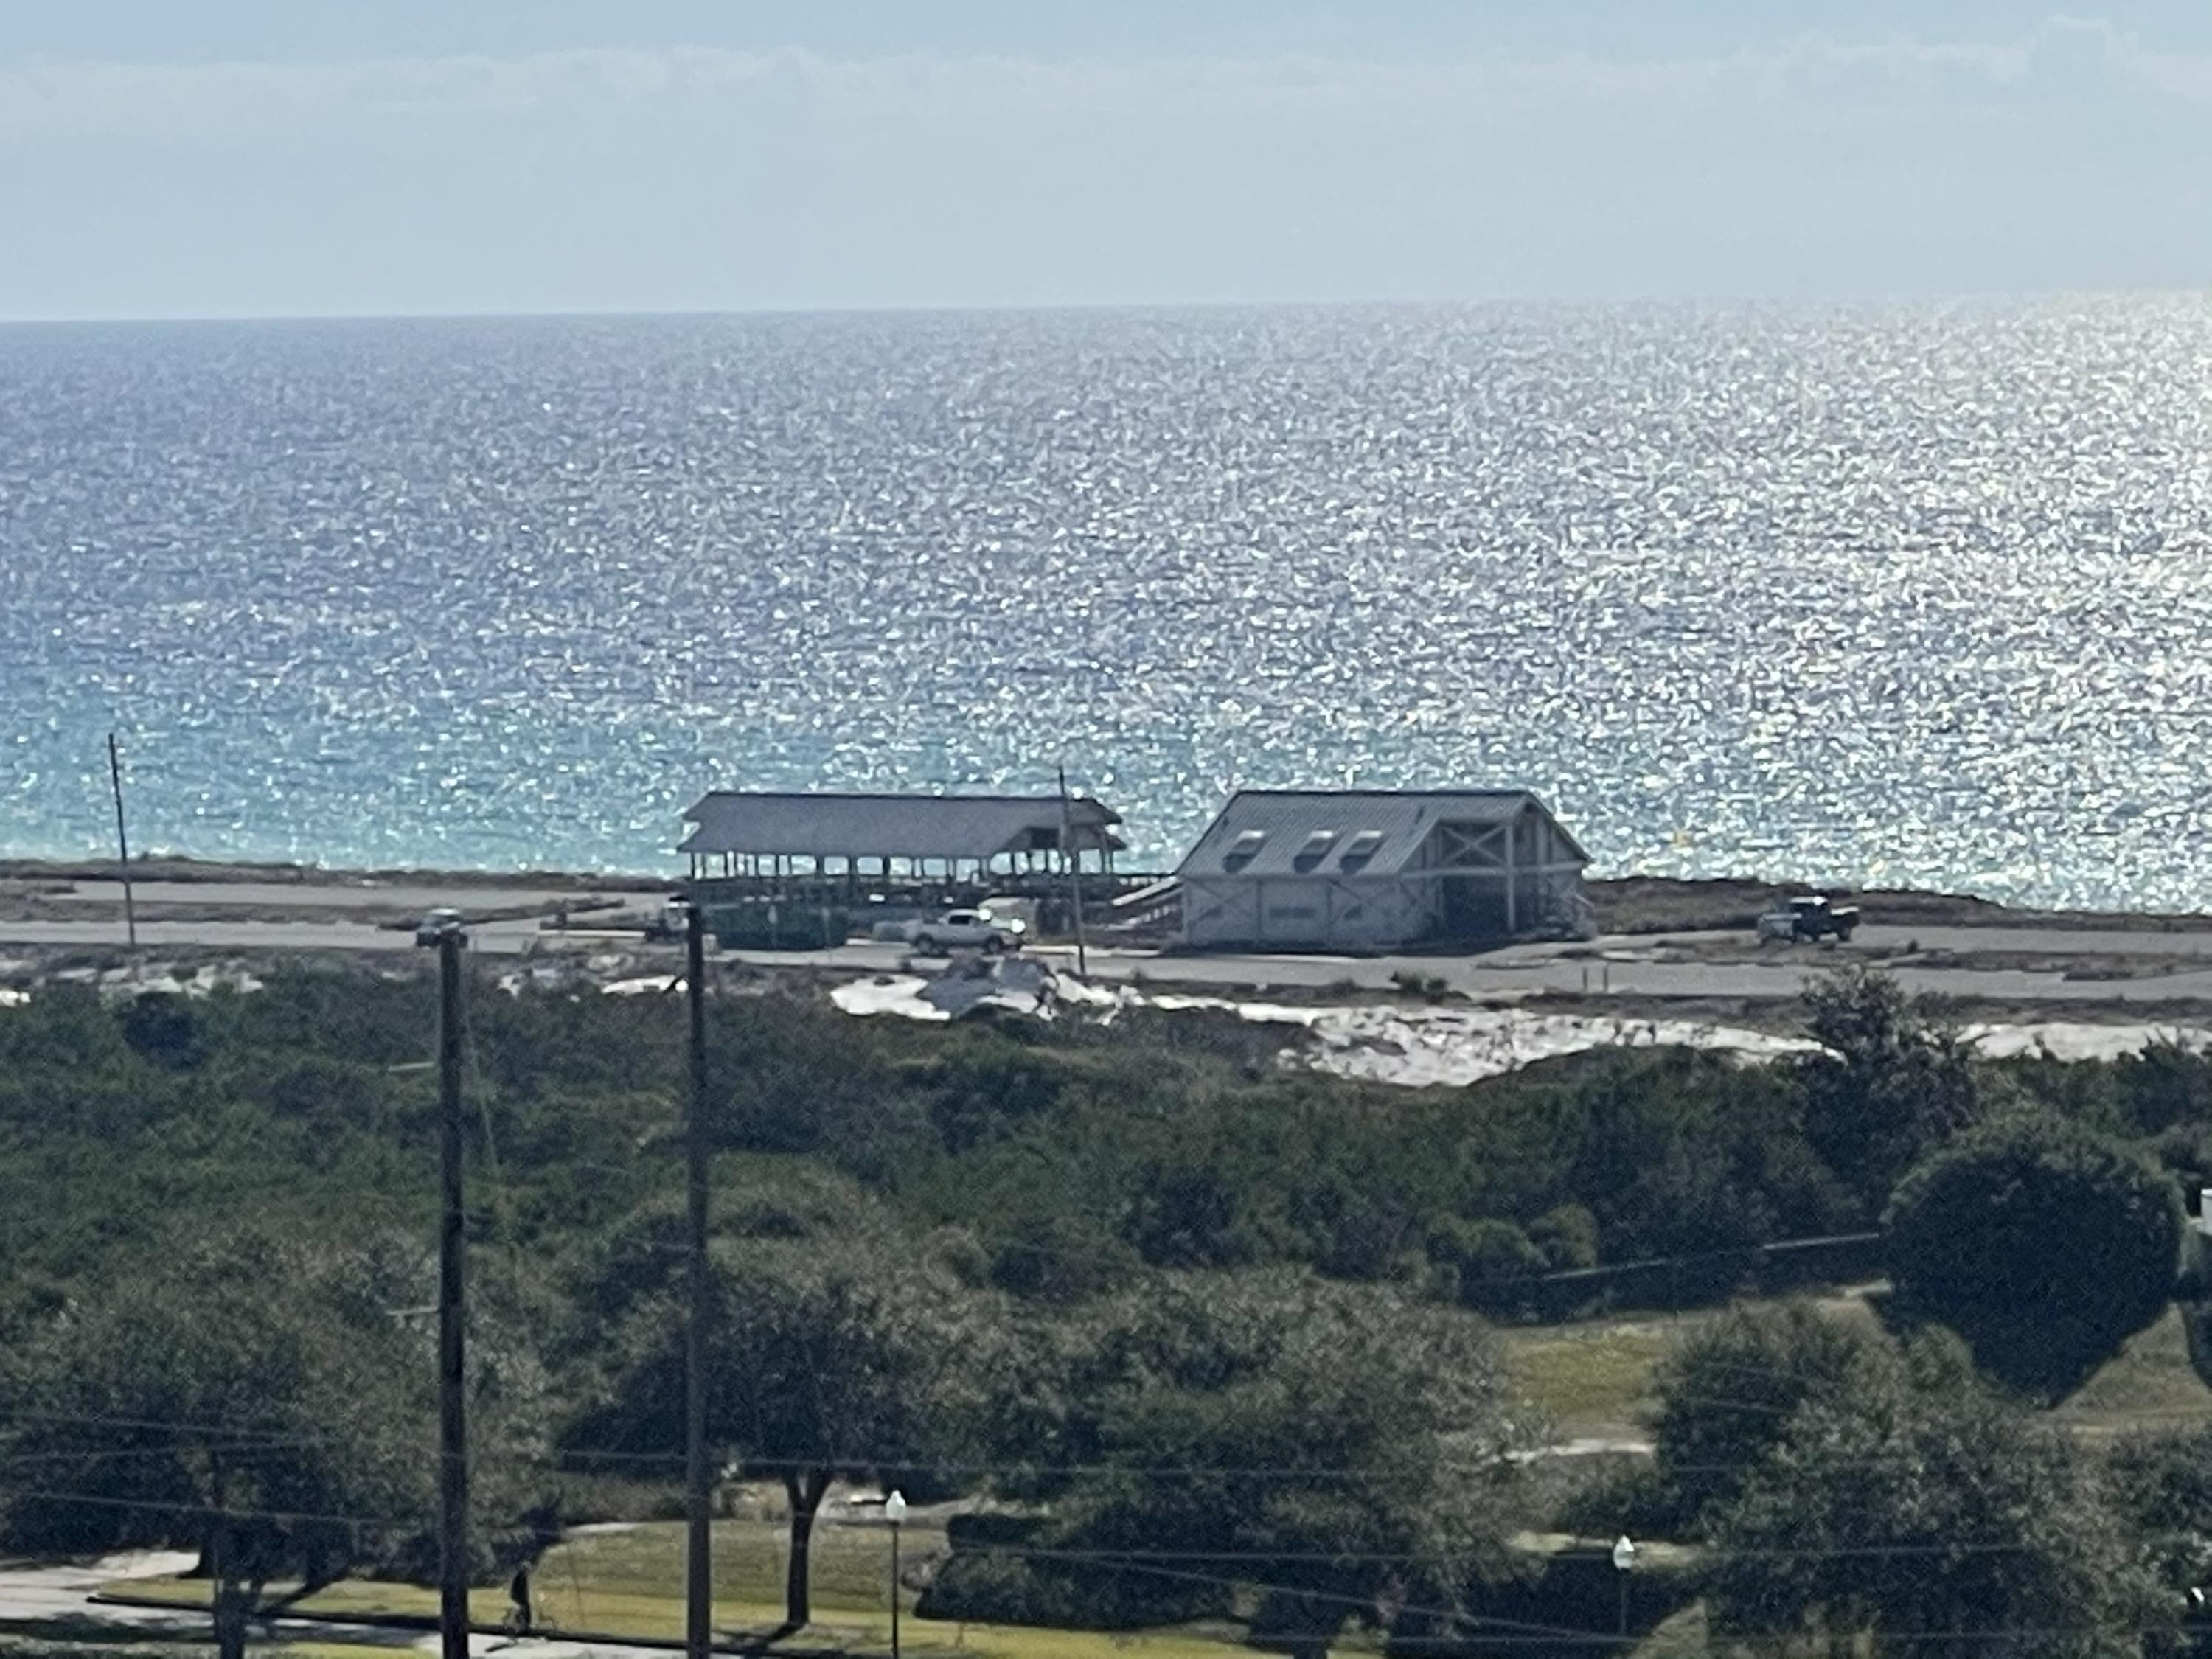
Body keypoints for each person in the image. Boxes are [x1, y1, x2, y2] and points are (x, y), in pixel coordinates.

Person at [504, 1563, 533, 1638]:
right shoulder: (521, 1577)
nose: (528, 1572)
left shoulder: (521, 1577)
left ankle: (522, 1628)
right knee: (523, 1613)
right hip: (520, 1599)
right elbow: (520, 1590)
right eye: (527, 1569)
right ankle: (521, 1629)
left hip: (520, 1599)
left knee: (523, 1613)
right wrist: (522, 1600)